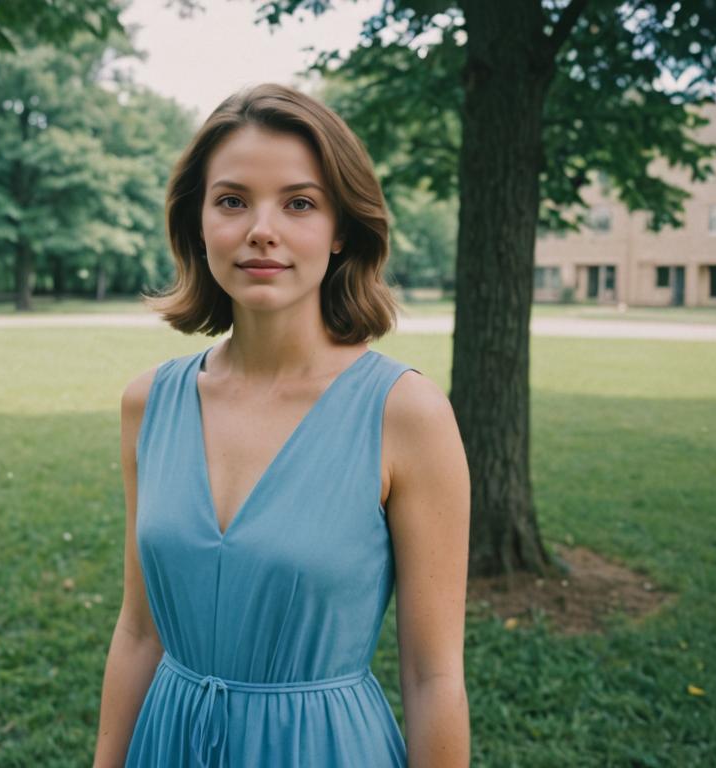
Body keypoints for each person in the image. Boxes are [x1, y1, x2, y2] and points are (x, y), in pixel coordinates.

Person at [93, 82, 470, 768]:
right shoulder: (148, 403)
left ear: (340, 232)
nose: (261, 228)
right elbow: (141, 631)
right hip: (167, 745)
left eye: (299, 203)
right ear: (198, 223)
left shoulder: (406, 414)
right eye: (232, 200)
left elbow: (433, 675)